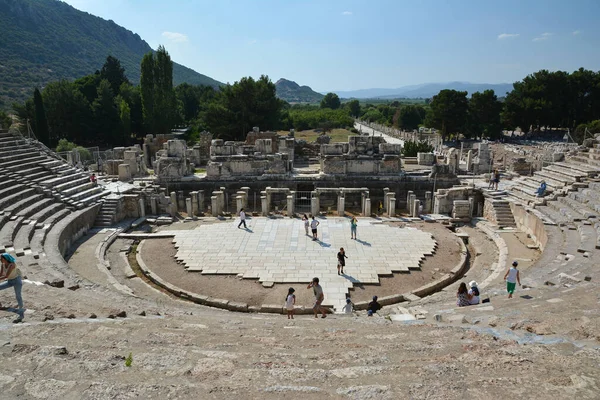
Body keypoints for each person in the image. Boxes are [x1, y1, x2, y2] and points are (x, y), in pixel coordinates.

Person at [0, 253, 24, 322]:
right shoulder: (3, 265)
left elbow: (6, 276)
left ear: (5, 259)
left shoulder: (12, 265)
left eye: (1, 259)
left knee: (18, 296)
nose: (0, 260)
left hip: (16, 281)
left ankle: (21, 313)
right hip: (10, 281)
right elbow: (1, 274)